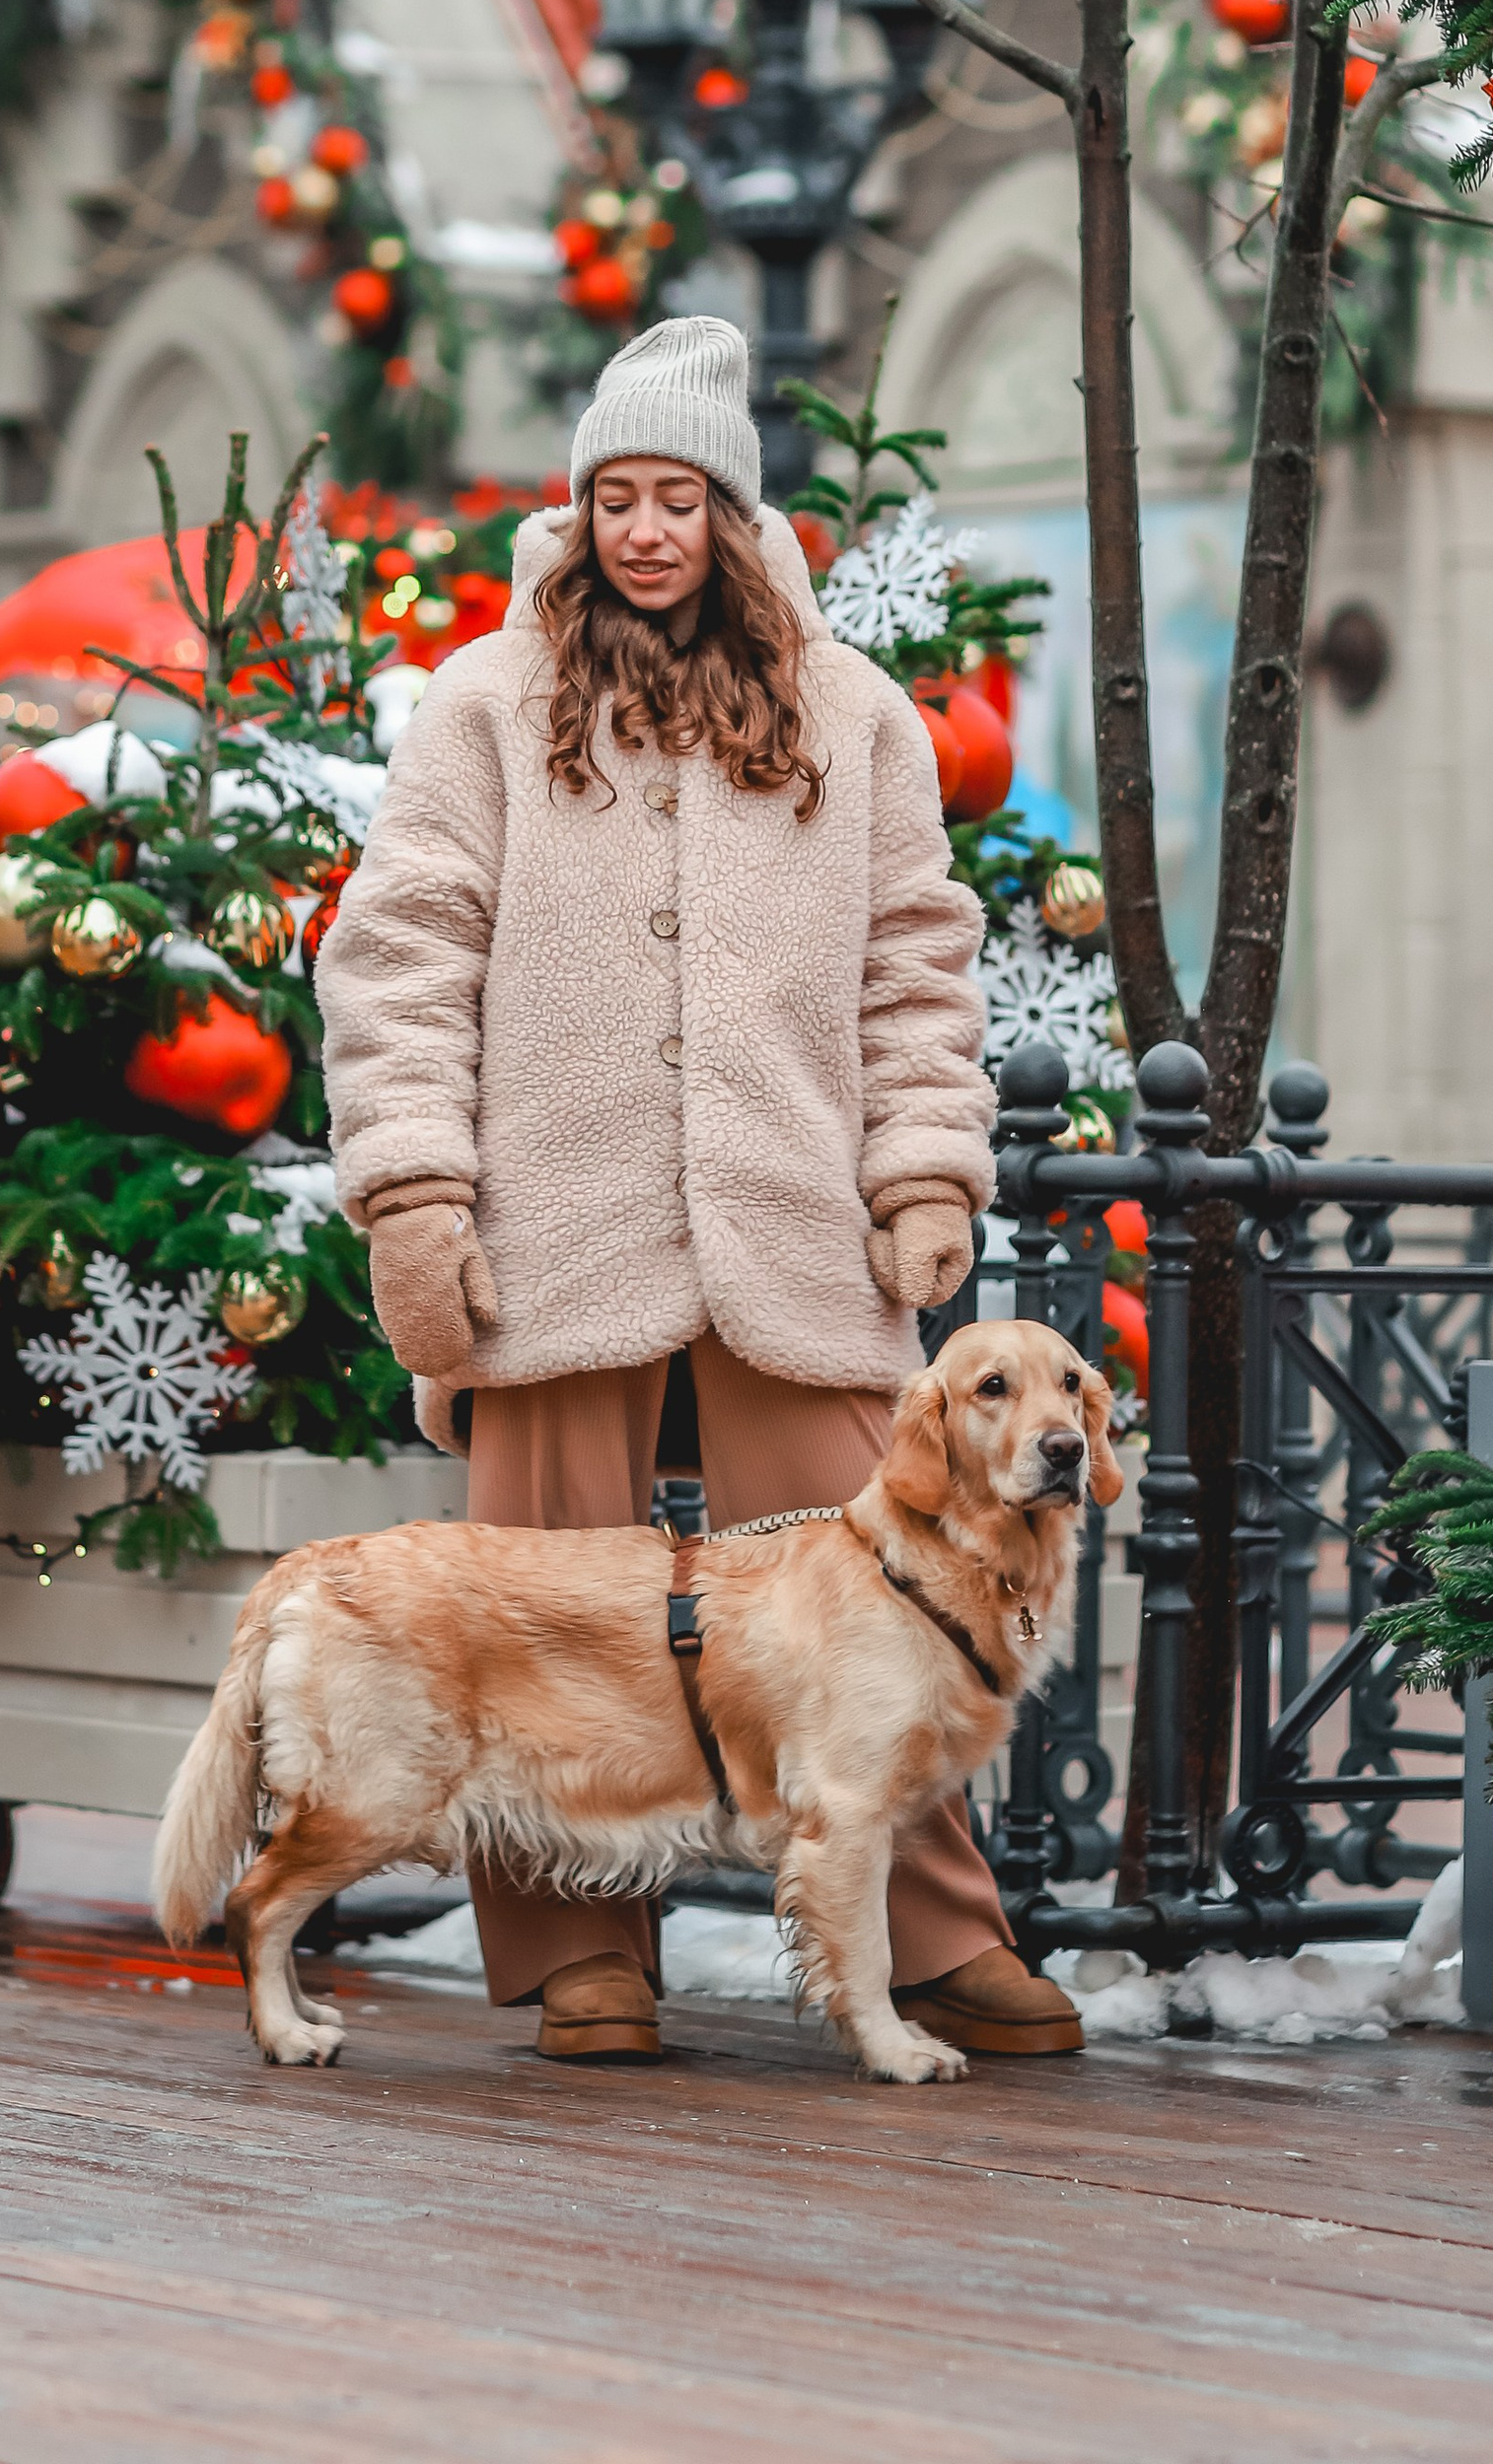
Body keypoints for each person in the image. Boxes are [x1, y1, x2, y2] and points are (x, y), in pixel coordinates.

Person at [317, 313, 1084, 2064]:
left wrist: (922, 1170)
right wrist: (419, 1187)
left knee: (902, 1579)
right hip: (549, 1235)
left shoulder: (857, 717)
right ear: (578, 516)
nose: (644, 531)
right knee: (538, 1603)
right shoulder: (490, 701)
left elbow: (915, 962)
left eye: (679, 499)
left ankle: (938, 1928)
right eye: (616, 499)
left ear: (734, 521)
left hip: (797, 1229)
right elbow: (402, 953)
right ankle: (581, 1947)